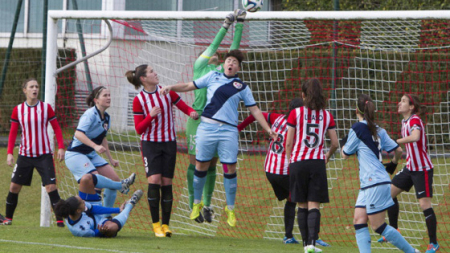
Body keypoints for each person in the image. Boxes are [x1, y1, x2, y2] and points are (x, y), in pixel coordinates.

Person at [160, 49, 276, 227]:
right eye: (229, 60)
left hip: (228, 131)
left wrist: (268, 129)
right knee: (201, 166)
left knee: (230, 168)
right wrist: (171, 87)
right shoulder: (212, 76)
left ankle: (230, 209)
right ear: (225, 64)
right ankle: (196, 204)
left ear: (238, 68)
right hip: (206, 127)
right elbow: (188, 86)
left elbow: (255, 110)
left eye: (234, 62)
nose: (231, 63)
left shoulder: (242, 87)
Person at [186, 9, 246, 224]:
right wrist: (226, 25)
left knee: (212, 165)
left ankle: (208, 205)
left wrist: (239, 24)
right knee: (196, 164)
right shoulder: (200, 68)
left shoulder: (221, 71)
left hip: (216, 121)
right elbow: (213, 46)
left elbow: (234, 50)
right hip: (197, 121)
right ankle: (194, 202)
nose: (214, 53)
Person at [125, 64, 198, 237]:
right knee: (155, 180)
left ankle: (166, 225)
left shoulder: (167, 92)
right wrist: (150, 116)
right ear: (143, 78)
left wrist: (192, 112)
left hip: (169, 144)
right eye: (151, 72)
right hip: (150, 145)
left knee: (167, 182)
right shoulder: (139, 100)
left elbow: (183, 106)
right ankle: (155, 224)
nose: (155, 73)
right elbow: (139, 129)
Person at [341, 94, 419, 253]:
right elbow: (398, 150)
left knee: (378, 226)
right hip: (371, 182)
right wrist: (393, 164)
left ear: (357, 110)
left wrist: (343, 143)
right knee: (359, 219)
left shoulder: (357, 128)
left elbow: (344, 154)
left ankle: (412, 252)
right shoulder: (378, 130)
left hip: (373, 182)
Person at [377, 94, 439, 253]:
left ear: (411, 107)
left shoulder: (414, 120)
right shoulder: (404, 122)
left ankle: (433, 243)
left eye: (403, 101)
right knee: (388, 193)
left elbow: (416, 136)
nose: (399, 103)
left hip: (422, 169)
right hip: (410, 168)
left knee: (424, 205)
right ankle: (394, 231)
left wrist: (395, 142)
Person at [285, 78, 339, 253]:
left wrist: (289, 161)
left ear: (303, 95)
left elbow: (289, 142)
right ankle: (312, 244)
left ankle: (304, 245)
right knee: (314, 205)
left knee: (301, 205)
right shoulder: (327, 115)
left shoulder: (296, 113)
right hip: (317, 163)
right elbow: (335, 143)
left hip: (298, 163)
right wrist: (327, 156)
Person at [2, 78, 66, 226]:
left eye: (36, 86)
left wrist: (61, 147)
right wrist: (10, 153)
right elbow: (12, 133)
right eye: (31, 87)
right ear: (25, 90)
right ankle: (8, 219)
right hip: (25, 155)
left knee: (51, 187)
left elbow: (56, 127)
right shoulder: (18, 110)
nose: (35, 89)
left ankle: (59, 220)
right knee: (14, 187)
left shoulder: (46, 108)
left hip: (44, 155)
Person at [65, 86, 136, 208]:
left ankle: (105, 216)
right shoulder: (90, 114)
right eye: (105, 95)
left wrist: (111, 159)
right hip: (75, 154)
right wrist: (95, 146)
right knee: (95, 178)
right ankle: (119, 188)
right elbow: (78, 133)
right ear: (96, 100)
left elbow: (103, 139)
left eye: (109, 95)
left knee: (113, 178)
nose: (109, 98)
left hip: (90, 154)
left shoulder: (107, 117)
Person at [55, 172, 143, 238]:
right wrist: (101, 231)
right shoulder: (80, 230)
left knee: (85, 179)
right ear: (78, 211)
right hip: (99, 223)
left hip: (95, 212)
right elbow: (94, 234)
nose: (84, 201)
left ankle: (120, 185)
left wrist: (117, 210)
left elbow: (94, 209)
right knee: (111, 228)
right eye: (82, 202)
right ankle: (130, 204)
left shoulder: (72, 207)